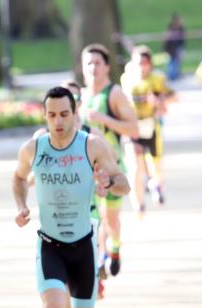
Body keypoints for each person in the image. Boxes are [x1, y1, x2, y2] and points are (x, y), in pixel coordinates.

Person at [12, 86, 130, 308]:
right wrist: (21, 206)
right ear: (45, 116)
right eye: (52, 115)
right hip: (50, 243)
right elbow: (19, 177)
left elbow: (124, 182)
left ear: (75, 113)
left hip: (83, 245)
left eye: (64, 114)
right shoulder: (34, 148)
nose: (58, 121)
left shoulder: (91, 145)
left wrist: (108, 183)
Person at [79, 43, 138, 277]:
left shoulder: (113, 94)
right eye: (88, 63)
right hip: (87, 169)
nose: (93, 68)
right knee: (96, 218)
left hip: (112, 166)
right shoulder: (82, 96)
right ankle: (99, 260)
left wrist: (105, 118)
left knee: (111, 219)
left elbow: (134, 129)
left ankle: (114, 247)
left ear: (107, 66)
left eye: (97, 63)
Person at [121, 46, 177, 212]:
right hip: (132, 127)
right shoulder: (126, 79)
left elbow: (173, 97)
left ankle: (156, 184)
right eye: (139, 63)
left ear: (150, 64)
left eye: (145, 63)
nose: (142, 67)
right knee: (135, 166)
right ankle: (138, 204)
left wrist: (159, 101)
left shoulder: (157, 79)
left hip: (151, 126)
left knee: (155, 165)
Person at [164, 13, 186, 81]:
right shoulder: (171, 27)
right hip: (172, 48)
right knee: (172, 61)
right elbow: (169, 39)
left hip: (177, 47)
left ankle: (175, 74)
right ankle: (171, 75)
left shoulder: (180, 28)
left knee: (176, 61)